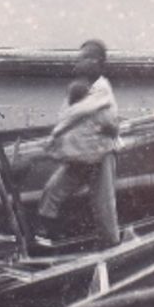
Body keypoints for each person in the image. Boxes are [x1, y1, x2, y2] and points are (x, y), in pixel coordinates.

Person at [35, 40, 122, 246]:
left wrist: (54, 134)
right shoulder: (78, 88)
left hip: (101, 154)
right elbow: (66, 114)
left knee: (104, 206)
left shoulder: (102, 89)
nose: (79, 62)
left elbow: (77, 114)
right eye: (79, 58)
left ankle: (112, 245)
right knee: (52, 191)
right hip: (80, 155)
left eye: (84, 58)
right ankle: (46, 238)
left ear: (99, 63)